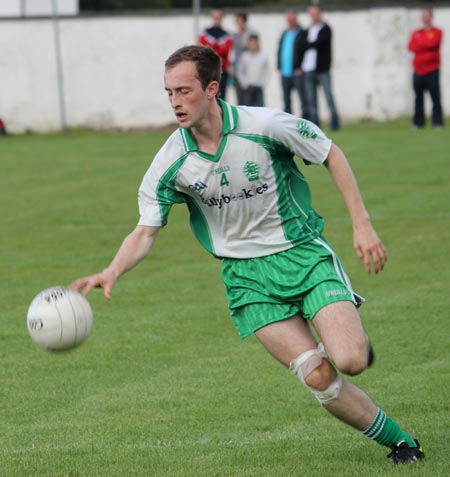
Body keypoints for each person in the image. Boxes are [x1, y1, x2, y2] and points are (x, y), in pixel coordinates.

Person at [71, 45, 424, 465]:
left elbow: (330, 152)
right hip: (246, 279)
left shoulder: (265, 124)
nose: (175, 102)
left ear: (212, 89)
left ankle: (355, 343)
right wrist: (112, 270)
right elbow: (146, 230)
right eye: (169, 93)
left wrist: (362, 224)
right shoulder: (171, 160)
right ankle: (402, 444)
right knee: (319, 377)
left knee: (350, 360)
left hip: (302, 255)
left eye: (184, 91)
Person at [295, 4, 340, 131]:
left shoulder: (326, 29)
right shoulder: (307, 30)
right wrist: (298, 65)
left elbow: (320, 43)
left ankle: (334, 122)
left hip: (322, 70)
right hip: (308, 69)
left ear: (320, 14)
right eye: (311, 14)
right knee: (311, 100)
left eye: (315, 14)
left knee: (328, 97)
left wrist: (309, 44)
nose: (313, 16)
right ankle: (315, 125)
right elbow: (301, 46)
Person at [408, 7, 444, 128]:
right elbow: (411, 47)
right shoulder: (416, 33)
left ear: (431, 17)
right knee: (418, 98)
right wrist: (424, 45)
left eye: (426, 15)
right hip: (418, 71)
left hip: (432, 70)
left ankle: (437, 122)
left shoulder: (437, 32)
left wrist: (421, 44)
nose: (424, 18)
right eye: (422, 16)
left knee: (435, 97)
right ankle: (418, 123)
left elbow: (433, 44)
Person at [199, 9, 233, 101]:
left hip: (222, 70)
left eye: (219, 18)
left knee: (222, 96)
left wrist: (213, 47)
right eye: (215, 18)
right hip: (209, 70)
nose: (217, 20)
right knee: (209, 96)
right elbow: (204, 47)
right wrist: (217, 47)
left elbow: (225, 50)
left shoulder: (227, 35)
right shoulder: (205, 33)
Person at [277, 10, 307, 116]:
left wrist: (301, 67)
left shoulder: (302, 33)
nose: (290, 21)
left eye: (292, 19)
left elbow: (305, 52)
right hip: (285, 72)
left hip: (297, 72)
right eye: (288, 19)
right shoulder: (284, 33)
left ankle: (306, 121)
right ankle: (288, 121)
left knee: (303, 99)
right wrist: (279, 65)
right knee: (286, 100)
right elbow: (280, 50)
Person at [237, 34, 270, 107]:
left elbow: (267, 72)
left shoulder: (263, 56)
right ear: (248, 44)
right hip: (248, 89)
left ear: (258, 43)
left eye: (254, 43)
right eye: (251, 43)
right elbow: (240, 72)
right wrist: (245, 83)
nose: (253, 45)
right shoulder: (244, 56)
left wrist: (262, 84)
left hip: (258, 88)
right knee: (248, 110)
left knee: (260, 110)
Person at [231, 12, 258, 104]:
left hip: (249, 68)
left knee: (251, 95)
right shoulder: (234, 36)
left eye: (241, 21)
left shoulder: (251, 34)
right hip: (238, 67)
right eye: (238, 22)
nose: (239, 24)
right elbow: (232, 51)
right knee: (239, 94)